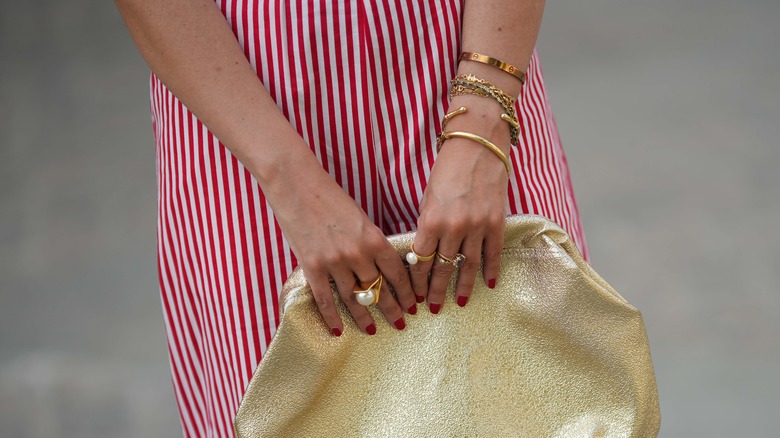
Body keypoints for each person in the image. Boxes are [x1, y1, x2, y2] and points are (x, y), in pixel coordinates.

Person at [116, 0, 590, 435]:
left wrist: (484, 116)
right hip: (243, 117)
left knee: (534, 405)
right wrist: (288, 181)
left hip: (466, 75)